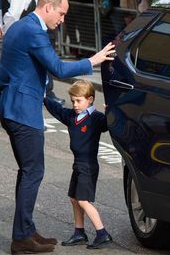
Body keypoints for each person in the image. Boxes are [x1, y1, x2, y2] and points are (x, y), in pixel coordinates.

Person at [0, 0, 115, 254]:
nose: (62, 19)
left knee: (27, 172)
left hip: (12, 107)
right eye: (61, 13)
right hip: (23, 113)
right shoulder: (34, 31)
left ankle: (25, 231)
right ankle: (21, 239)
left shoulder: (20, 25)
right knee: (33, 172)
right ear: (48, 7)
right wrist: (92, 60)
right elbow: (58, 68)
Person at [44, 80, 112, 249]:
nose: (74, 105)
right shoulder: (72, 116)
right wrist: (43, 97)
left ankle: (102, 233)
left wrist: (110, 111)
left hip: (88, 166)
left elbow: (107, 125)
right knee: (74, 199)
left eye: (78, 101)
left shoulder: (96, 118)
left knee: (83, 200)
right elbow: (57, 110)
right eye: (73, 101)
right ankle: (79, 232)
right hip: (78, 165)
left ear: (90, 99)